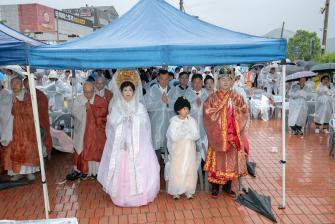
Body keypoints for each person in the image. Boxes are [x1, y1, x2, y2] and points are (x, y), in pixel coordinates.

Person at [98, 70, 160, 207]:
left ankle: (139, 196)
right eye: (125, 90)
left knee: (138, 168)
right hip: (121, 145)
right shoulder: (116, 106)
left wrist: (134, 120)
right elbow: (111, 123)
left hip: (138, 145)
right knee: (122, 171)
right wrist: (122, 120)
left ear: (134, 92)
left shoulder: (140, 107)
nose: (127, 92)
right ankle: (121, 196)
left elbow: (145, 123)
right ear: (121, 91)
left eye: (130, 90)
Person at [203, 67, 248, 198]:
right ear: (218, 81)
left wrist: (235, 114)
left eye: (228, 79)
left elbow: (244, 112)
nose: (226, 82)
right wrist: (221, 116)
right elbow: (207, 114)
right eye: (223, 79)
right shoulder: (212, 98)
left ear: (232, 81)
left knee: (230, 161)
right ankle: (215, 187)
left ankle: (228, 187)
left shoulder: (237, 98)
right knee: (218, 160)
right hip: (217, 136)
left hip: (232, 136)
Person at [66, 81, 108, 180]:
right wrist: (85, 108)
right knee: (82, 148)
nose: (88, 95)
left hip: (96, 133)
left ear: (94, 91)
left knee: (94, 150)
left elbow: (104, 114)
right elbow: (74, 111)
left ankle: (95, 172)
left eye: (90, 92)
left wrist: (92, 109)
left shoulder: (101, 100)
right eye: (85, 92)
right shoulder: (79, 99)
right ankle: (82, 170)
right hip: (82, 131)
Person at [0, 77, 40, 181]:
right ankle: (16, 172)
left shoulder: (27, 97)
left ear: (22, 85)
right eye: (13, 83)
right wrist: (12, 104)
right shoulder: (7, 98)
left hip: (26, 130)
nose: (15, 85)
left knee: (27, 149)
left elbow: (31, 112)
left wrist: (18, 104)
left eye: (17, 83)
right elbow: (3, 113)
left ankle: (29, 172)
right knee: (13, 151)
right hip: (12, 130)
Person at [166, 97, 200, 199]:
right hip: (178, 150)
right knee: (177, 169)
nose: (186, 111)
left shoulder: (192, 121)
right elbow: (173, 137)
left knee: (190, 168)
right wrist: (185, 131)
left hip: (189, 149)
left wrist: (185, 133)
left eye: (187, 109)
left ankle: (188, 189)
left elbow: (196, 135)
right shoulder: (174, 122)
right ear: (178, 110)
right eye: (184, 109)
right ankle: (176, 190)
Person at [145, 69, 172, 159]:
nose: (164, 81)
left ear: (169, 79)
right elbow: (147, 105)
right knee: (156, 151)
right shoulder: (152, 90)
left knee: (170, 149)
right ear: (157, 78)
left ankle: (169, 171)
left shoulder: (173, 90)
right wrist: (161, 101)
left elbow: (177, 106)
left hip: (170, 124)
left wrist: (168, 102)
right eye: (162, 79)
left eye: (166, 79)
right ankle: (156, 171)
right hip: (156, 124)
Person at [23, 77, 52, 157]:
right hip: (29, 124)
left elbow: (41, 112)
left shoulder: (40, 96)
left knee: (38, 143)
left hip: (40, 124)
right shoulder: (26, 94)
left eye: (28, 86)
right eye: (25, 86)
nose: (26, 88)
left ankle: (41, 160)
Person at [185, 74, 209, 163]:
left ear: (202, 82)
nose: (197, 84)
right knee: (192, 145)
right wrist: (194, 105)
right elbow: (185, 110)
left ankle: (203, 165)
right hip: (191, 124)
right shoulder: (187, 94)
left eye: (199, 82)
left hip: (204, 124)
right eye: (195, 82)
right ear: (192, 83)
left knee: (204, 144)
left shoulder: (206, 93)